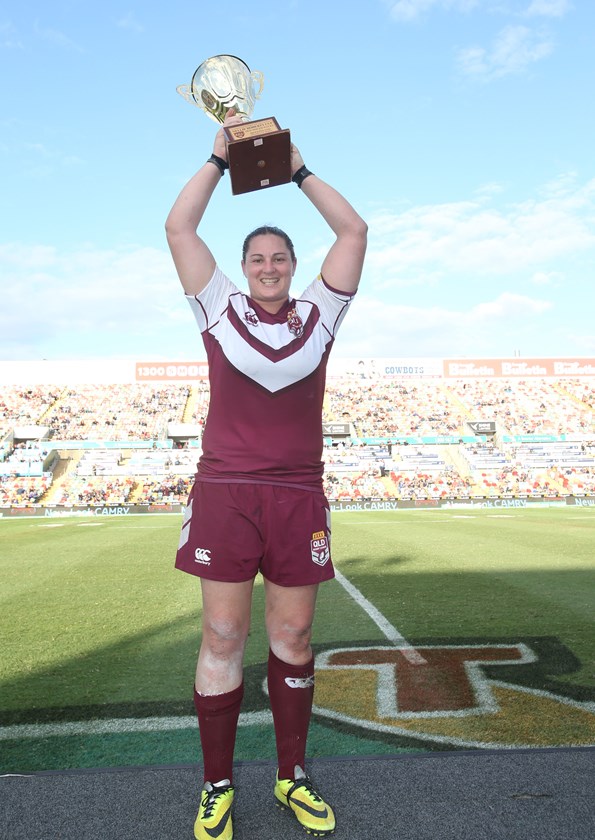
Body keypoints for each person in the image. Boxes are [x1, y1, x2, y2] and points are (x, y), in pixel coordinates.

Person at [165, 109, 367, 840]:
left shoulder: (321, 313)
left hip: (295, 496)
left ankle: (291, 775)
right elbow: (180, 230)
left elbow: (354, 234)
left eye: (280, 257)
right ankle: (217, 785)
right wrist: (218, 160)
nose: (270, 266)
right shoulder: (218, 307)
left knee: (293, 640)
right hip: (226, 493)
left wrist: (299, 169)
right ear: (244, 268)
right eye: (257, 258)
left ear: (293, 264)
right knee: (221, 635)